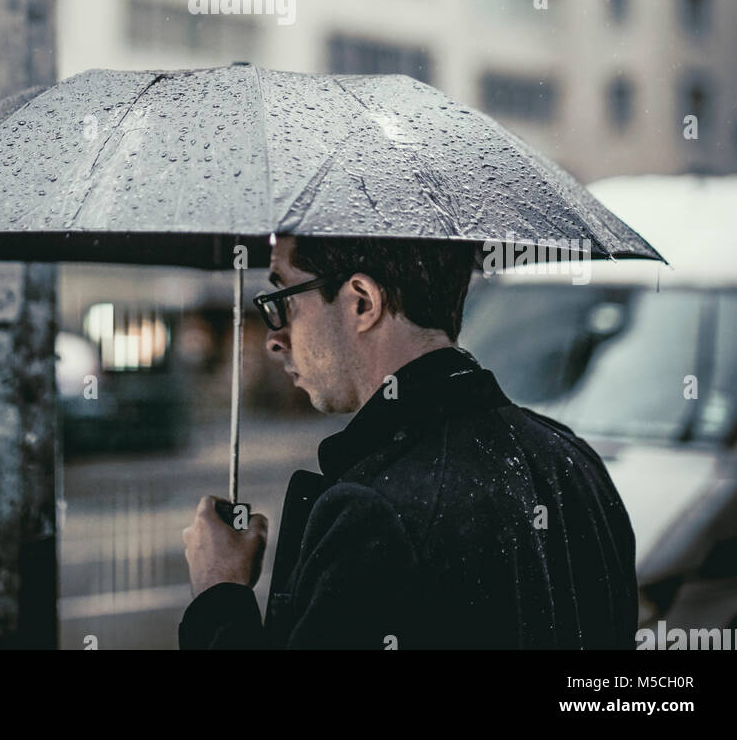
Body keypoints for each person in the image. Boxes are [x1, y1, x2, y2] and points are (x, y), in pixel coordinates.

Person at [180, 233, 638, 650]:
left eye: (281, 300)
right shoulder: (575, 461)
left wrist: (220, 594)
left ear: (362, 302)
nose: (273, 340)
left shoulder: (374, 512)